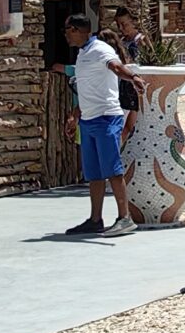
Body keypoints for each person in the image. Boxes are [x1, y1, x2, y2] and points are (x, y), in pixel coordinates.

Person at [58, 13, 139, 236]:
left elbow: (116, 67)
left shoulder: (101, 49)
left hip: (106, 118)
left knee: (113, 169)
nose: (66, 35)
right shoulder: (82, 54)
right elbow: (86, 90)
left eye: (67, 30)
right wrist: (75, 116)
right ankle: (95, 220)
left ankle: (125, 218)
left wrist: (133, 78)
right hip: (88, 120)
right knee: (94, 174)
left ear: (77, 30)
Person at [110, 8, 150, 114]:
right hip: (123, 85)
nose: (121, 28)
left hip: (136, 86)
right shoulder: (121, 41)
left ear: (133, 22)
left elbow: (150, 60)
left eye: (124, 24)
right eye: (118, 25)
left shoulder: (141, 40)